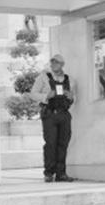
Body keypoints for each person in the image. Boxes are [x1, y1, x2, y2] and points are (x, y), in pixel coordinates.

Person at [29, 53, 76, 182]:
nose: (54, 64)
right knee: (50, 144)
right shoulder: (43, 77)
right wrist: (46, 96)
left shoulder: (70, 80)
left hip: (64, 114)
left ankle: (61, 174)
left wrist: (71, 97)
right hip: (49, 113)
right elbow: (33, 94)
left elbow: (74, 98)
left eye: (57, 62)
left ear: (62, 64)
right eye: (52, 62)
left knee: (63, 144)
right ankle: (49, 173)